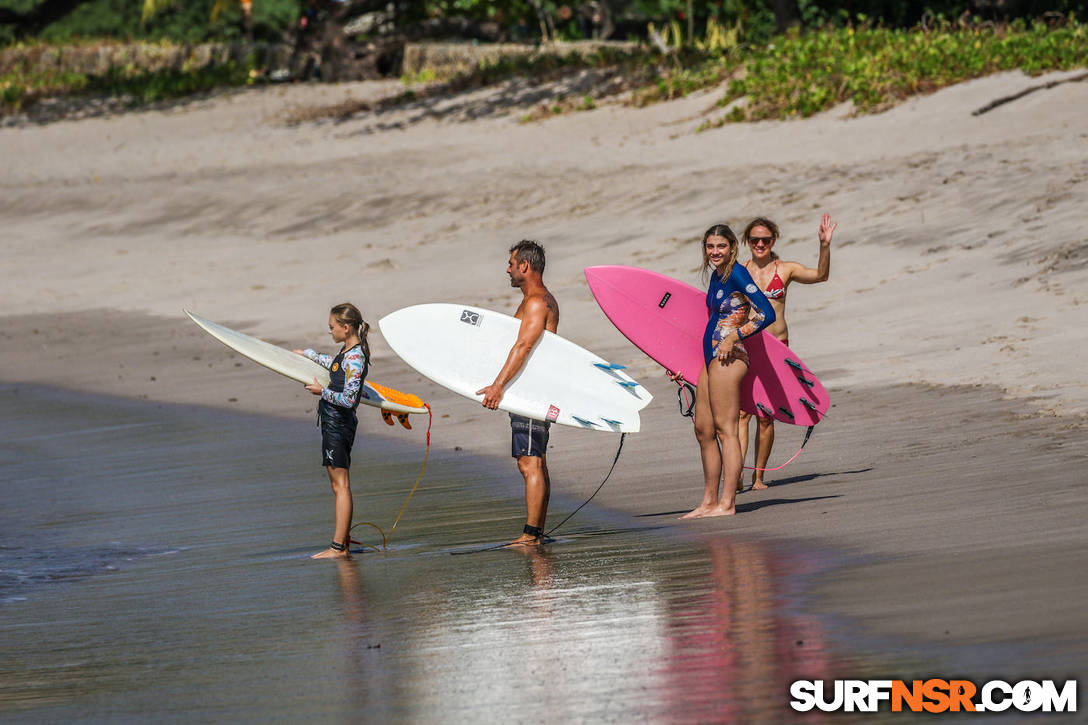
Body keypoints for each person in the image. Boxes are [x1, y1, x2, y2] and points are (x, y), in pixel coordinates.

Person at [672, 224, 776, 518]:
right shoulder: (717, 277)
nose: (715, 252)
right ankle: (708, 502)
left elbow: (766, 313)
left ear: (732, 247)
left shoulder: (738, 274)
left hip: (730, 358)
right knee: (703, 429)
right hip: (710, 359)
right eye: (710, 247)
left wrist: (734, 337)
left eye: (720, 246)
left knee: (726, 431)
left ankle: (727, 503)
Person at [736, 214, 835, 491]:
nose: (759, 244)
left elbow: (821, 276)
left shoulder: (786, 270)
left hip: (777, 349)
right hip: (747, 347)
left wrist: (824, 245)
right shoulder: (738, 271)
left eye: (765, 239)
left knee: (766, 415)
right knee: (743, 413)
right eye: (754, 239)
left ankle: (758, 477)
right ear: (747, 241)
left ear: (773, 241)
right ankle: (738, 473)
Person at [475, 240, 560, 546]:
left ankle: (531, 535)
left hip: (531, 389)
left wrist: (498, 386)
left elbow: (523, 346)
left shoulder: (537, 302)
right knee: (534, 459)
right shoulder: (535, 300)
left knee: (530, 461)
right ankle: (535, 531)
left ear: (525, 265)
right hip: (528, 388)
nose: (508, 269)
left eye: (511, 264)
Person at [293, 303, 370, 559]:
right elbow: (334, 366)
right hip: (333, 422)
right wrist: (309, 354)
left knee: (341, 486)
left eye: (332, 327)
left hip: (339, 423)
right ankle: (343, 544)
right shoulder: (347, 352)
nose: (330, 331)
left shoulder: (356, 358)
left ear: (345, 327)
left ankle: (338, 548)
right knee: (338, 486)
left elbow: (349, 400)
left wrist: (321, 392)